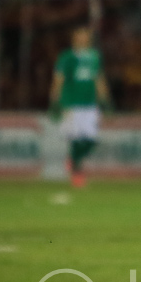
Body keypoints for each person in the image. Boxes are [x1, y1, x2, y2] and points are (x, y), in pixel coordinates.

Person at [49, 26, 110, 188]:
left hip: (90, 103)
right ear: (74, 38)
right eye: (80, 36)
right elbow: (59, 79)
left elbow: (98, 78)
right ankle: (77, 172)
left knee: (90, 139)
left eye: (86, 36)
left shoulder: (94, 57)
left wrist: (105, 100)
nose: (83, 39)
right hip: (72, 103)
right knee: (75, 138)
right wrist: (55, 100)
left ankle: (73, 159)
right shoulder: (67, 57)